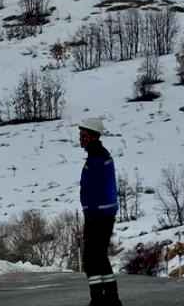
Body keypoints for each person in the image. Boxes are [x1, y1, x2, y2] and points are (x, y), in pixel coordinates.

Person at [79, 117, 122, 306]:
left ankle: (99, 299)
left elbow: (95, 188)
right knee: (99, 256)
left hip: (99, 215)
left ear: (92, 136)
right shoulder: (97, 155)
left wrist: (91, 210)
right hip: (100, 214)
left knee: (91, 258)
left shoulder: (97, 157)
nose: (81, 138)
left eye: (83, 135)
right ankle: (111, 299)